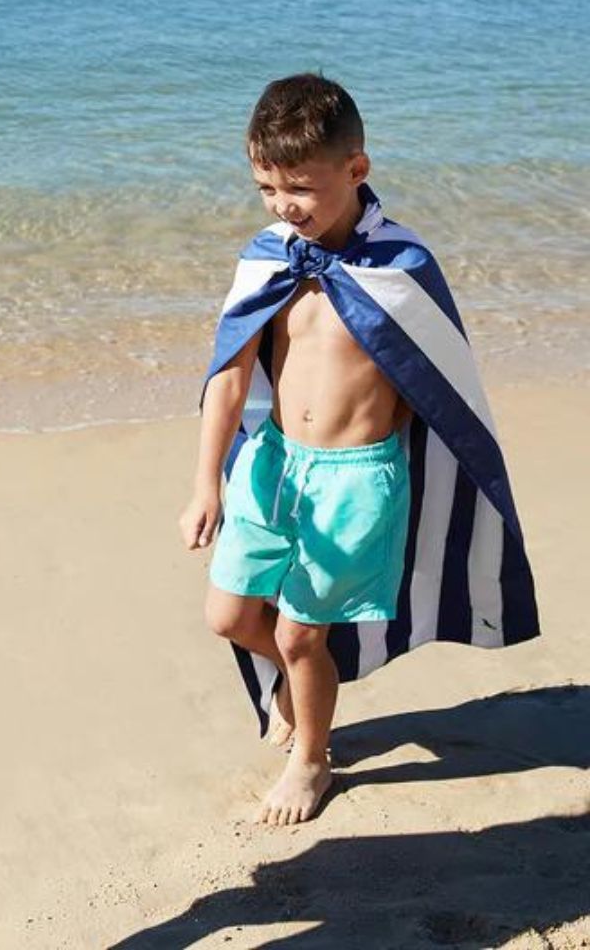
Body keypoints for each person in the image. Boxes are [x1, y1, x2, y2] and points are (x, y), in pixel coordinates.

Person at [179, 74, 538, 827]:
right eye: (266, 188)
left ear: (356, 169)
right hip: (273, 467)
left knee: (300, 632)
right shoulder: (269, 259)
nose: (283, 206)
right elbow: (229, 373)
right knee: (228, 614)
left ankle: (313, 759)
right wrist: (207, 481)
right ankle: (299, 683)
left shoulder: (401, 265)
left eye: (300, 188)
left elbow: (440, 386)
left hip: (355, 483)